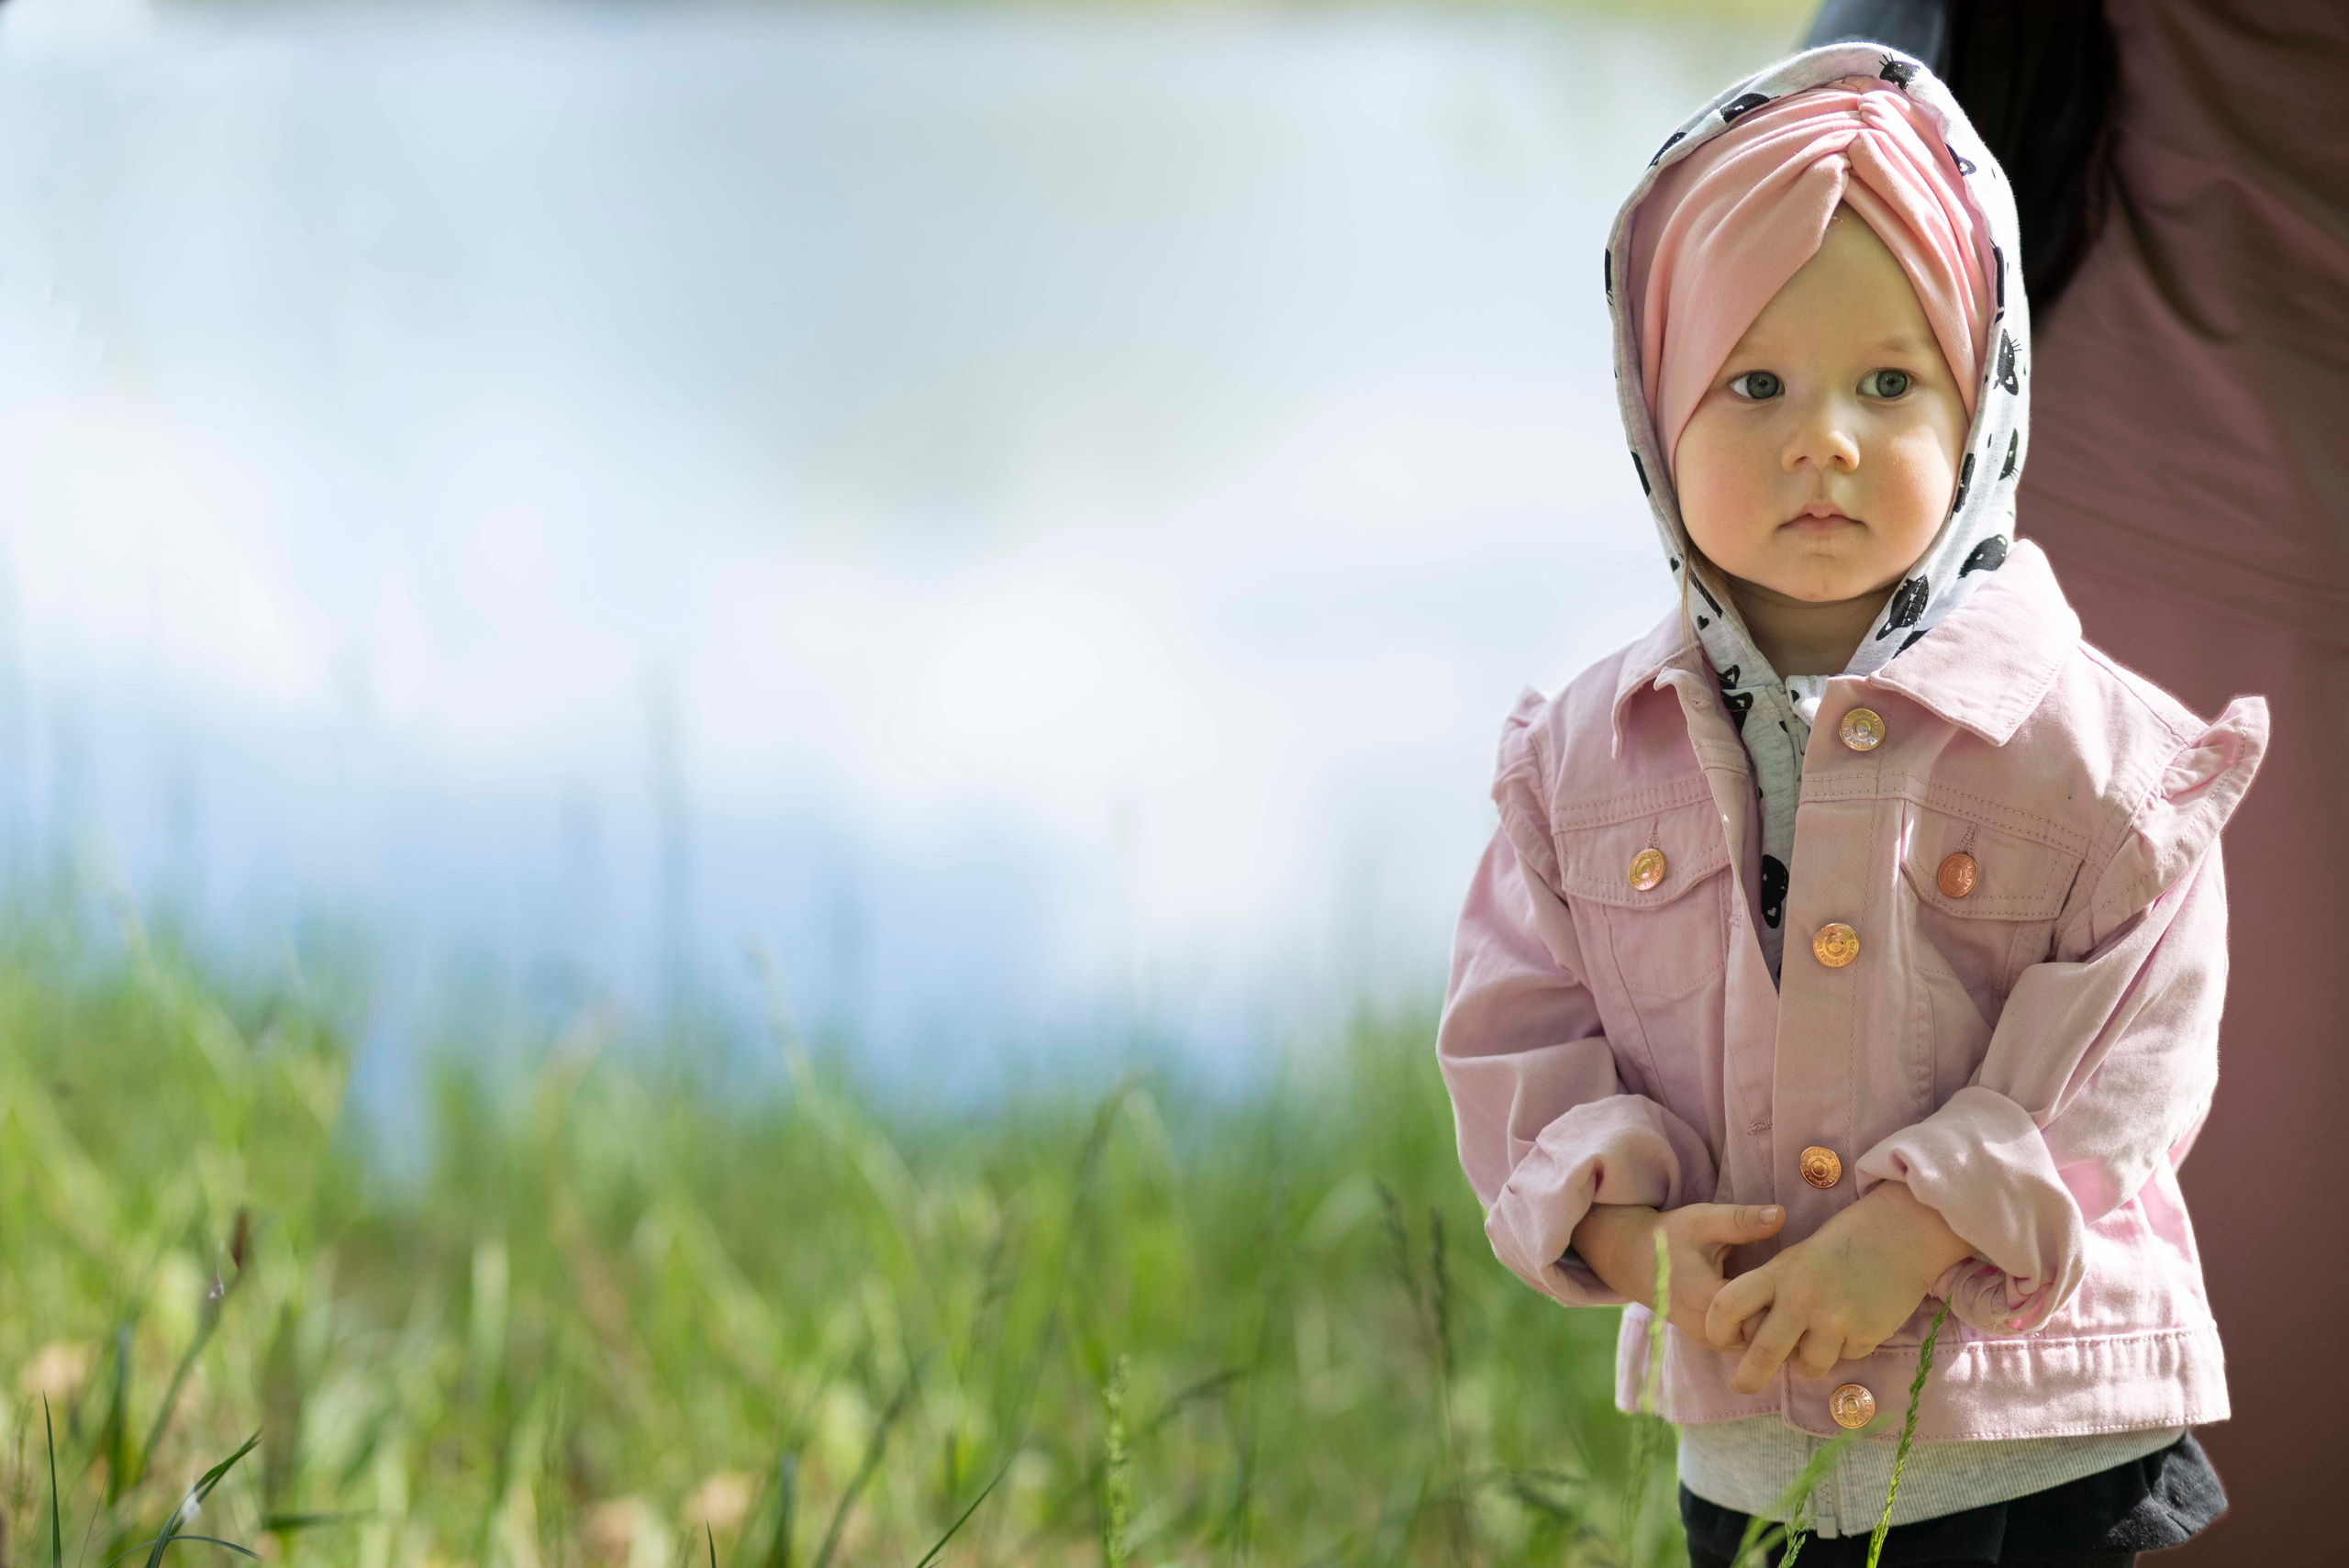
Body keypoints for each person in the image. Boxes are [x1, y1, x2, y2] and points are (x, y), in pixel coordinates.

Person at [1435, 45, 2262, 1567]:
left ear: (1981, 408)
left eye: (1889, 384)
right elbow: (1518, 1036)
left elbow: (2144, 1033)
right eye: (1755, 385)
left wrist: (1924, 1222)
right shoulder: (1579, 765)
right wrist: (1635, 1242)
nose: (1825, 438)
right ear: (1655, 411)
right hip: (1759, 1443)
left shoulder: (2083, 745)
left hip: (2039, 1431)